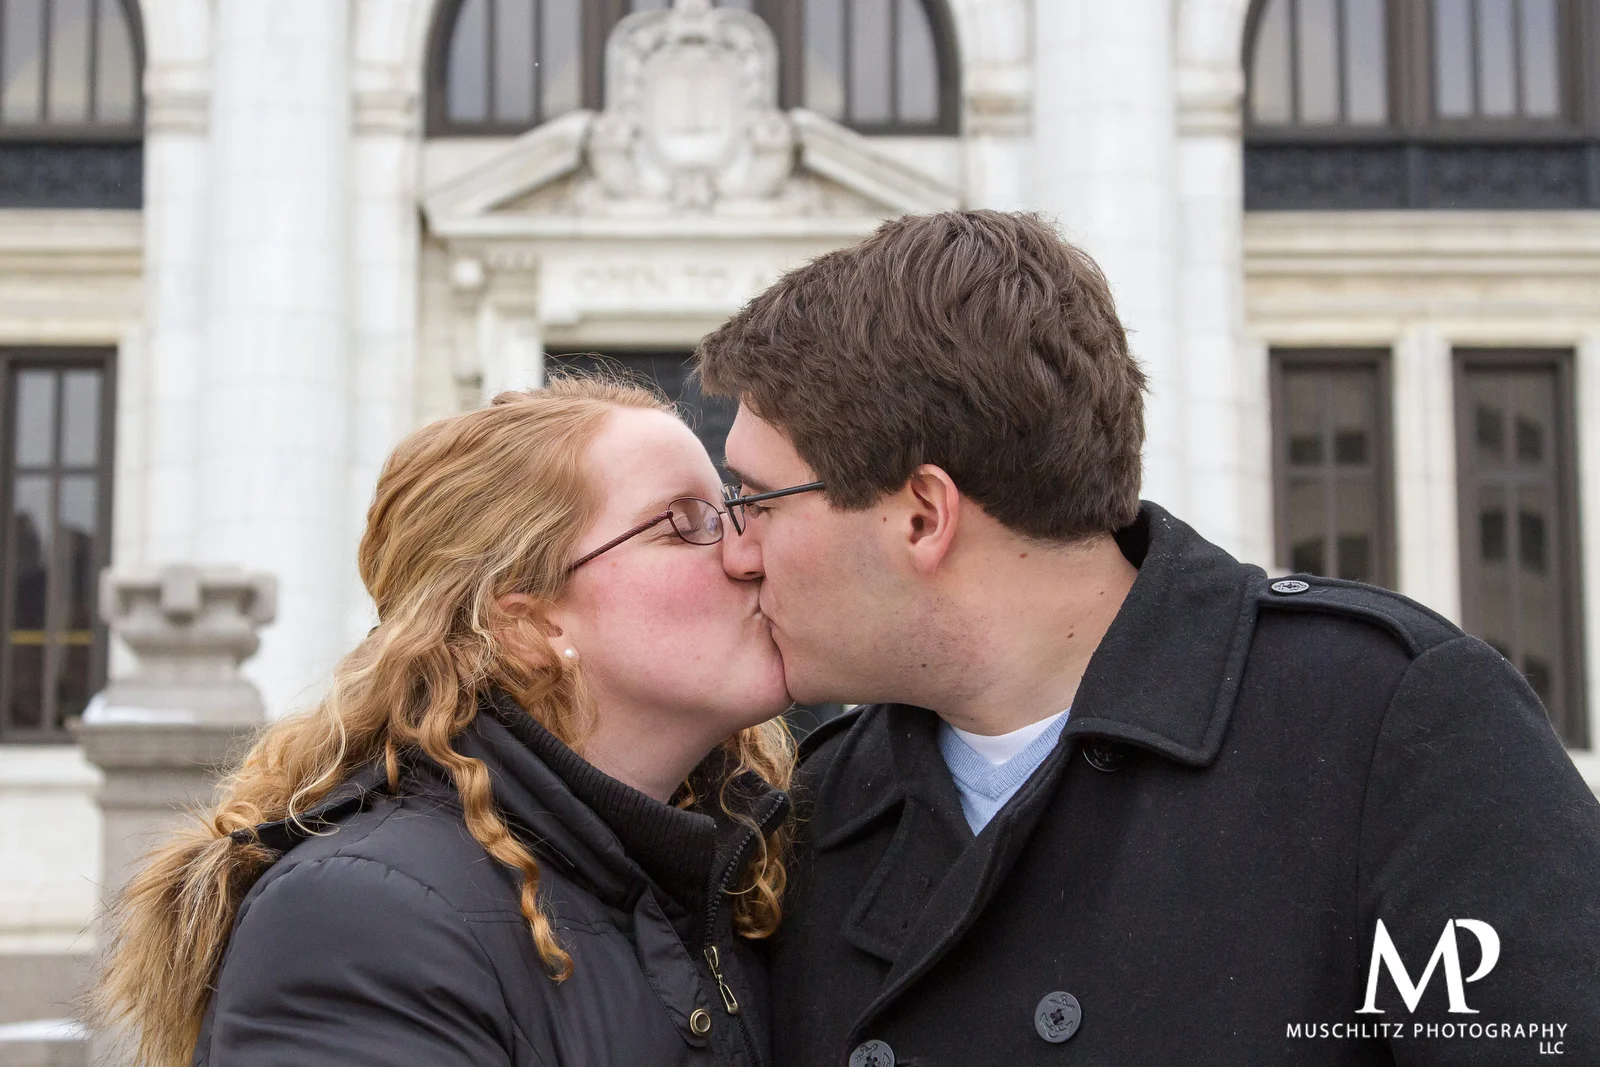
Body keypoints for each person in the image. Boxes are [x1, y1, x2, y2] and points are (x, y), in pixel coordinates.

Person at [697, 210, 1600, 1066]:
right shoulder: (814, 809)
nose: (734, 552)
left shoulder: (1390, 726)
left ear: (925, 515)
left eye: (755, 501)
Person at [93, 377, 796, 1067]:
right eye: (685, 522)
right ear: (524, 620)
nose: (749, 552)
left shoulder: (751, 871)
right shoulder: (360, 917)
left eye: (734, 508)